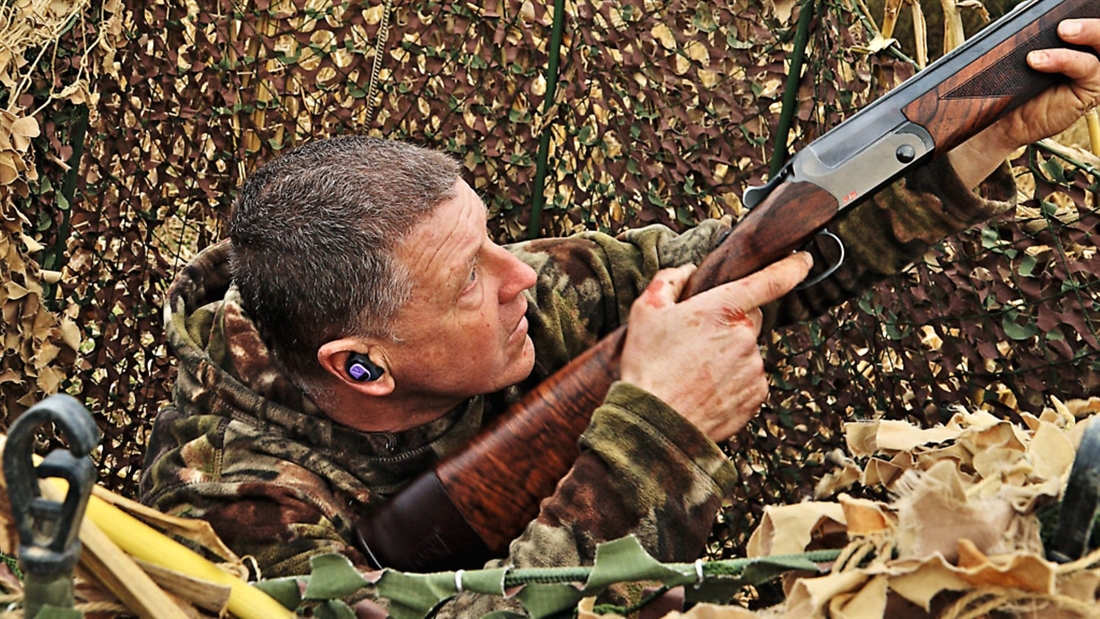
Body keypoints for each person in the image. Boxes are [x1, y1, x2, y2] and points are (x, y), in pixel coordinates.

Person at [140, 18, 1100, 615]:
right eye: (468, 278)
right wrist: (656, 434)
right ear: (361, 367)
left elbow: (751, 267)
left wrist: (986, 135)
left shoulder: (516, 296)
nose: (523, 273)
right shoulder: (237, 515)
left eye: (492, 237)